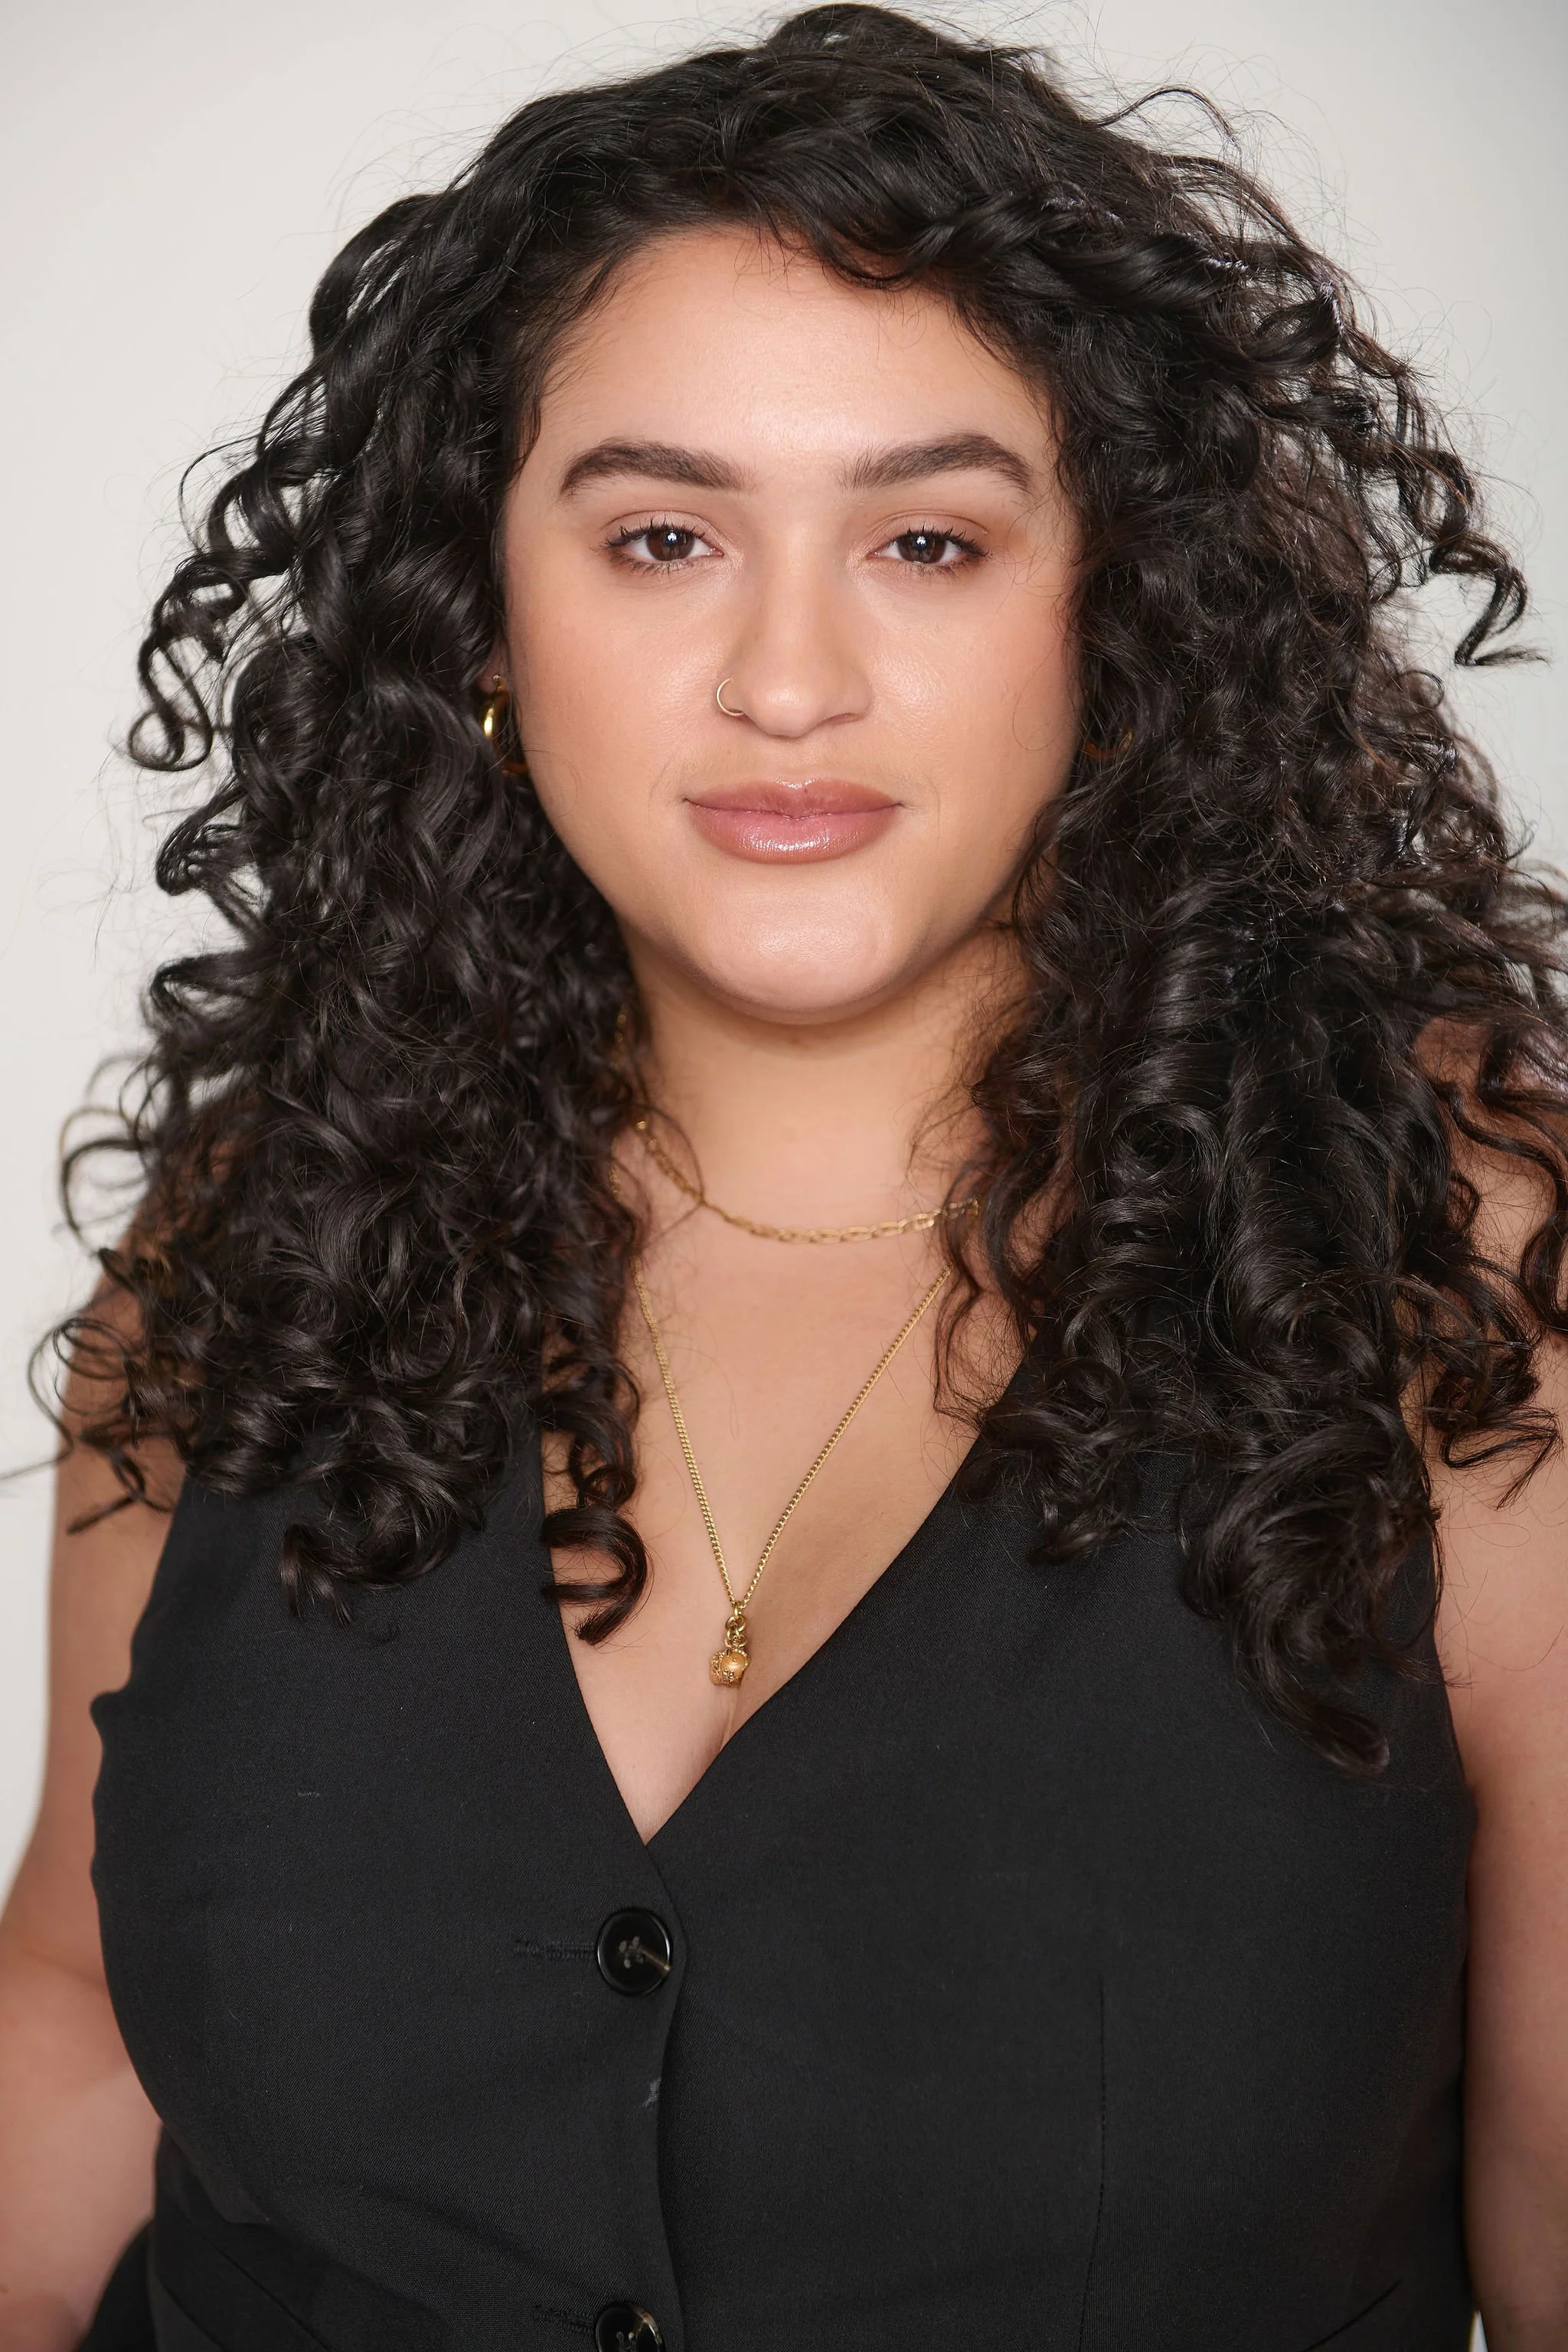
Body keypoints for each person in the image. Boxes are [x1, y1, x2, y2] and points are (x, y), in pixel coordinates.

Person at [1, 5, 1565, 2346]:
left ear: (1111, 616)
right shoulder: (264, 1225)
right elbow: (82, 2028)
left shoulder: (1464, 1261)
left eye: (928, 540)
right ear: (490, 628)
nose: (789, 676)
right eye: (661, 537)